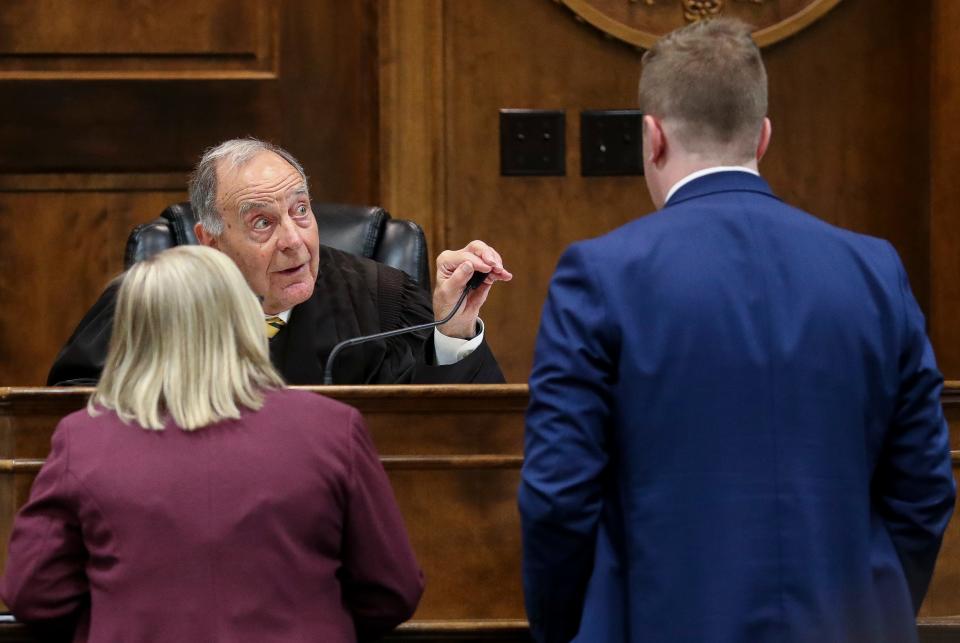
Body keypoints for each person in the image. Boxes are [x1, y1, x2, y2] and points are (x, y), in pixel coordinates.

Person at [519, 18, 955, 643]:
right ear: (764, 136)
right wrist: (872, 607)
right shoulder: (874, 271)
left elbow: (558, 500)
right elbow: (925, 489)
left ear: (652, 137)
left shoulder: (599, 276)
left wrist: (567, 629)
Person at [2, 245, 424, 642]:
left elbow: (35, 593)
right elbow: (391, 589)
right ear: (245, 321)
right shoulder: (333, 429)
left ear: (130, 333)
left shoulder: (84, 439)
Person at [47, 138, 512, 386]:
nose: (295, 240)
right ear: (210, 242)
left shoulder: (380, 297)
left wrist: (453, 331)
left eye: (300, 210)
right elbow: (70, 412)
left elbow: (451, 433)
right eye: (262, 223)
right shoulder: (155, 301)